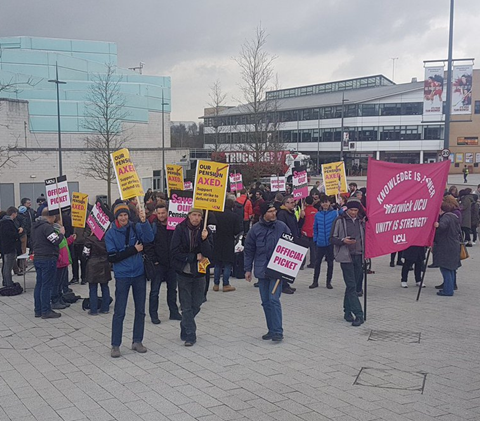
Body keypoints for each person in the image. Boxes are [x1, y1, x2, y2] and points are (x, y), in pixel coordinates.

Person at [106, 202, 154, 358]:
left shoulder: (135, 227)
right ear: (116, 217)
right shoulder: (111, 234)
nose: (124, 217)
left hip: (138, 274)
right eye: (120, 215)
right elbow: (113, 257)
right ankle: (115, 345)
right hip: (122, 276)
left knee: (140, 310)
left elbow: (149, 238)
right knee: (120, 311)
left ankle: (137, 341)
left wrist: (144, 221)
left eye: (125, 214)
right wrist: (133, 250)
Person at [244, 202, 290, 342]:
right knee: (265, 302)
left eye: (274, 211)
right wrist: (247, 269)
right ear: (264, 214)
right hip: (262, 270)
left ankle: (277, 331)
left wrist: (289, 267)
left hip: (277, 270)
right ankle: (271, 329)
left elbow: (291, 245)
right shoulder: (255, 230)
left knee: (274, 299)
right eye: (270, 211)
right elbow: (249, 250)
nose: (273, 213)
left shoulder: (282, 227)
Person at [171, 208, 213, 346]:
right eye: (194, 215)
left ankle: (185, 324)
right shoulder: (180, 229)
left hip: (200, 273)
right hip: (184, 272)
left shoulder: (205, 231)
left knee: (197, 303)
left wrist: (204, 240)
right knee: (186, 305)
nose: (196, 218)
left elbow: (210, 253)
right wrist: (193, 257)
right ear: (189, 216)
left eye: (199, 216)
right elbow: (174, 251)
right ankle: (191, 334)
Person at [144, 204, 182, 324]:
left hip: (172, 264)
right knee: (155, 290)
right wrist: (154, 260)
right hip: (158, 264)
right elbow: (148, 244)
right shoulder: (153, 226)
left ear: (167, 213)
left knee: (172, 289)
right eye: (159, 213)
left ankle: (173, 312)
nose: (161, 215)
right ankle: (153, 315)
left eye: (163, 213)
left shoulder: (175, 226)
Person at [330, 200, 365, 326]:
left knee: (353, 285)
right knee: (351, 286)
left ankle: (347, 311)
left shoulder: (361, 221)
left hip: (359, 255)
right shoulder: (340, 220)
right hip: (346, 257)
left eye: (356, 210)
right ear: (347, 210)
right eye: (352, 210)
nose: (354, 213)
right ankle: (359, 314)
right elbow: (332, 238)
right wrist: (343, 241)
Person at [31, 208, 65, 319]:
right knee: (47, 285)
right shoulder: (46, 227)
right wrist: (61, 234)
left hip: (38, 257)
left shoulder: (35, 226)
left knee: (39, 284)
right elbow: (55, 240)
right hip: (48, 258)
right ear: (50, 217)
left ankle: (38, 309)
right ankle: (46, 310)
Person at [311, 195, 342, 289]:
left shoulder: (334, 213)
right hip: (320, 242)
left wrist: (339, 207)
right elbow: (315, 228)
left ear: (330, 203)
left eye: (327, 202)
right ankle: (315, 281)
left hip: (330, 242)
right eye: (323, 202)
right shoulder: (317, 214)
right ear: (321, 203)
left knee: (330, 263)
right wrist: (315, 239)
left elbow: (343, 214)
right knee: (317, 263)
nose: (325, 204)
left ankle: (328, 282)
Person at [212, 199, 243, 292]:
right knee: (227, 264)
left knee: (218, 263)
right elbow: (237, 230)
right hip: (228, 241)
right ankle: (226, 284)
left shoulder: (216, 214)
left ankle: (216, 284)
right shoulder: (234, 216)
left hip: (217, 240)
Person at [432, 201, 461, 296]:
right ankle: (451, 286)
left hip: (446, 246)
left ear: (441, 209)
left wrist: (437, 225)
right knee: (451, 268)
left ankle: (448, 290)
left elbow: (443, 225)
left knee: (445, 268)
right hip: (454, 245)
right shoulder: (454, 216)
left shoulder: (446, 217)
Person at [277, 195, 304, 293]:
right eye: (291, 202)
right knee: (284, 265)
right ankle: (283, 285)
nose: (294, 204)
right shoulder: (282, 214)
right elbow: (282, 228)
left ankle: (286, 283)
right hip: (286, 241)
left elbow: (296, 226)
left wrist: (302, 218)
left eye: (294, 202)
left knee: (287, 266)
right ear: (285, 204)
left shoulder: (291, 213)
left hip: (292, 240)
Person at [84, 228, 112, 315]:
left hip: (93, 265)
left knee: (93, 288)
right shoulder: (107, 239)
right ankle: (105, 308)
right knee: (105, 287)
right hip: (104, 264)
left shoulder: (89, 240)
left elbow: (85, 254)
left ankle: (93, 310)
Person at [0, 207, 22, 287]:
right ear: (14, 213)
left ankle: (6, 281)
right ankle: (8, 283)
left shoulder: (2, 222)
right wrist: (18, 232)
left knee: (6, 266)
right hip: (9, 247)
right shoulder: (8, 223)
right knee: (8, 266)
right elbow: (11, 235)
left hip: (4, 247)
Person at [302, 196, 317, 269]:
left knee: (303, 249)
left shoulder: (304, 211)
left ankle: (301, 264)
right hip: (313, 232)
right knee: (313, 249)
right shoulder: (316, 211)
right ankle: (313, 263)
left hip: (305, 231)